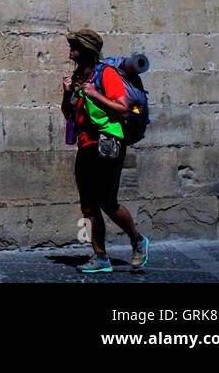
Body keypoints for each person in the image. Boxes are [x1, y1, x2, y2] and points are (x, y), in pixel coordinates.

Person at [60, 28, 149, 273]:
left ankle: (138, 241)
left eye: (74, 45)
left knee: (107, 203)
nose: (70, 49)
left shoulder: (106, 74)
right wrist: (68, 94)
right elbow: (69, 115)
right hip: (85, 145)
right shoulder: (78, 77)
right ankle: (100, 258)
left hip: (109, 145)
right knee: (88, 206)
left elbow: (122, 109)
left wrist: (95, 94)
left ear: (87, 49)